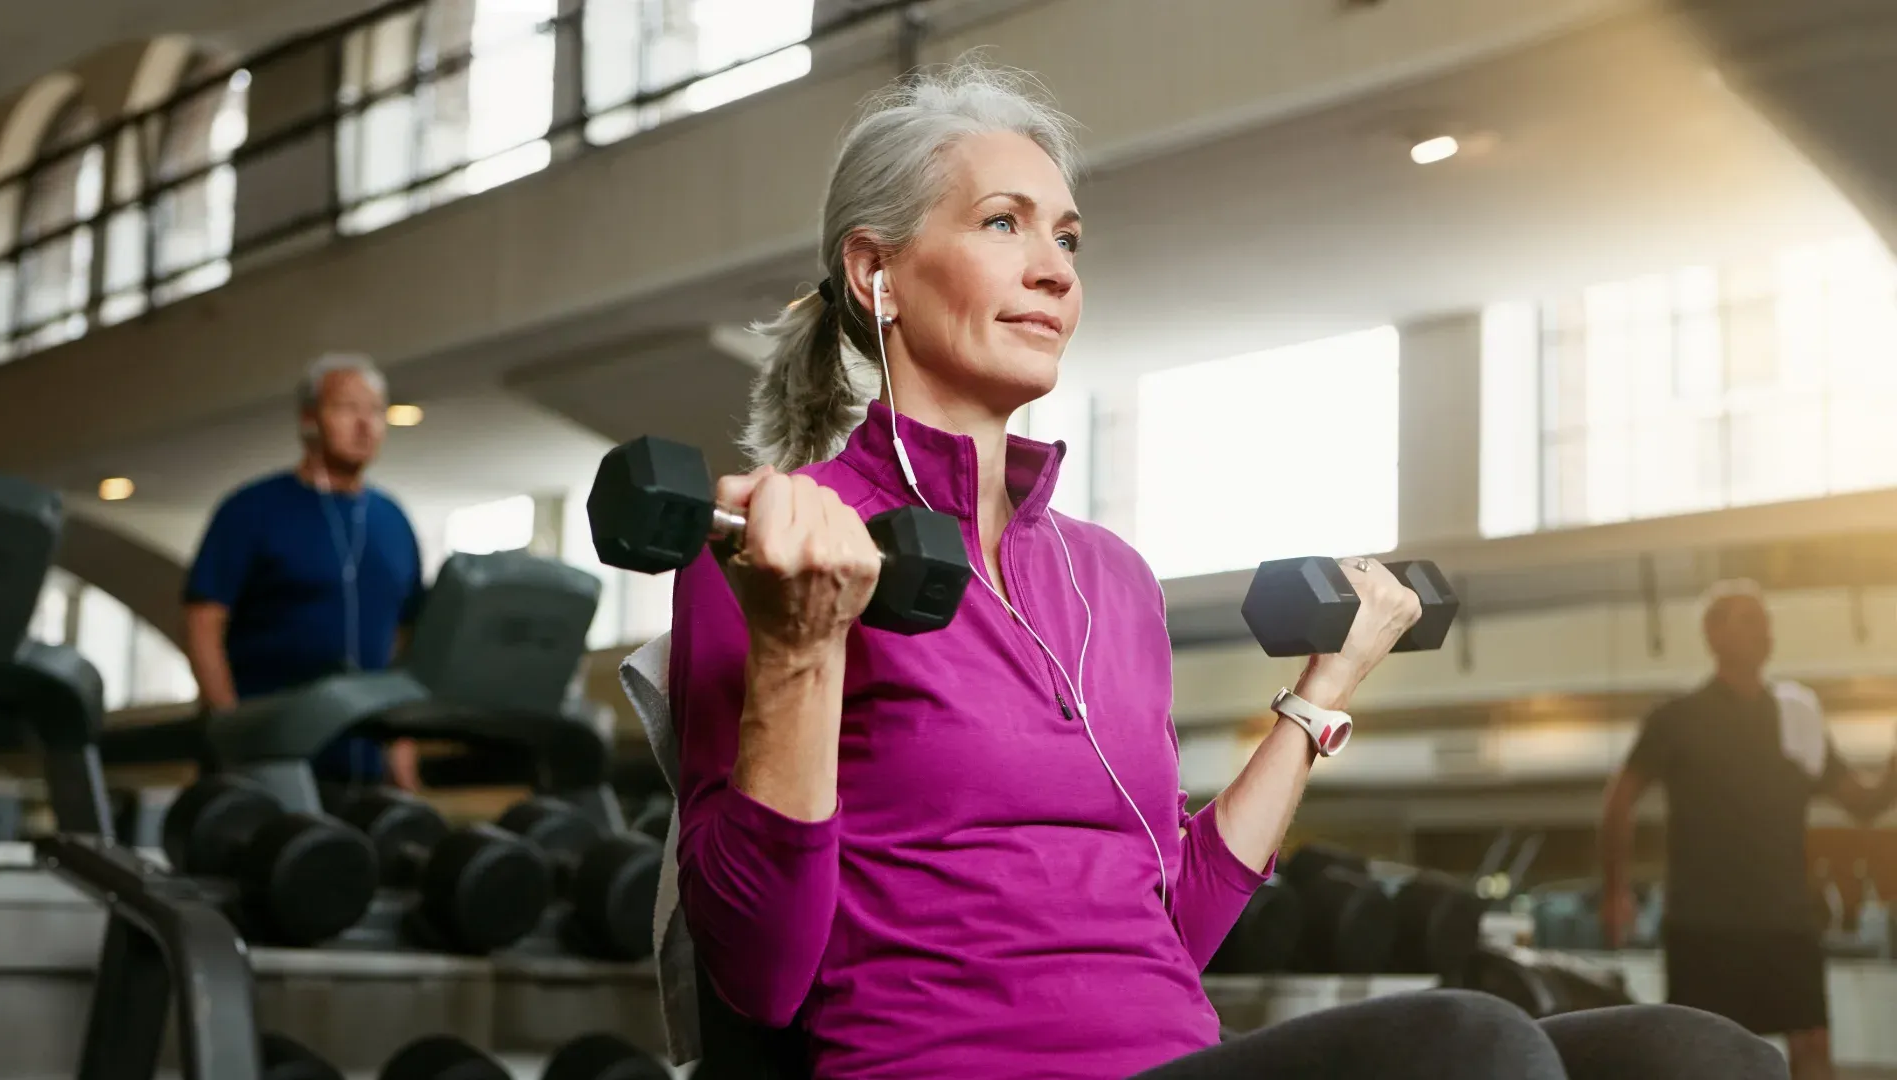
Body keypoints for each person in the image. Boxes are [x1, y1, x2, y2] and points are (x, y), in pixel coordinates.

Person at [668, 59, 1785, 1080]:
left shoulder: (1110, 579)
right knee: (1473, 1046)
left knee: (1698, 1056)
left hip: (1169, 1060)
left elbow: (1171, 931)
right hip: (955, 1066)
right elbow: (758, 977)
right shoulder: (780, 546)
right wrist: (801, 649)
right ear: (879, 273)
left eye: (1068, 238)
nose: (1052, 271)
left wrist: (1320, 696)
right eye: (1004, 224)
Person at [1602, 579, 1897, 1080]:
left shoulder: (1797, 719)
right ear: (1714, 635)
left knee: (1812, 1045)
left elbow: (1863, 804)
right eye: (1750, 620)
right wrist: (1614, 891)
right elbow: (1619, 801)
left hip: (1786, 920)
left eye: (1767, 622)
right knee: (1702, 1054)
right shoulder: (1677, 719)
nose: (1765, 632)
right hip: (1704, 924)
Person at [183, 353, 428, 792]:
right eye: (347, 408)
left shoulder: (394, 521)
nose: (365, 424)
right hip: (268, 758)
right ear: (309, 419)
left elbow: (405, 641)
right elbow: (204, 622)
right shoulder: (252, 510)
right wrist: (229, 729)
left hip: (364, 766)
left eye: (375, 411)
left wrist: (402, 744)